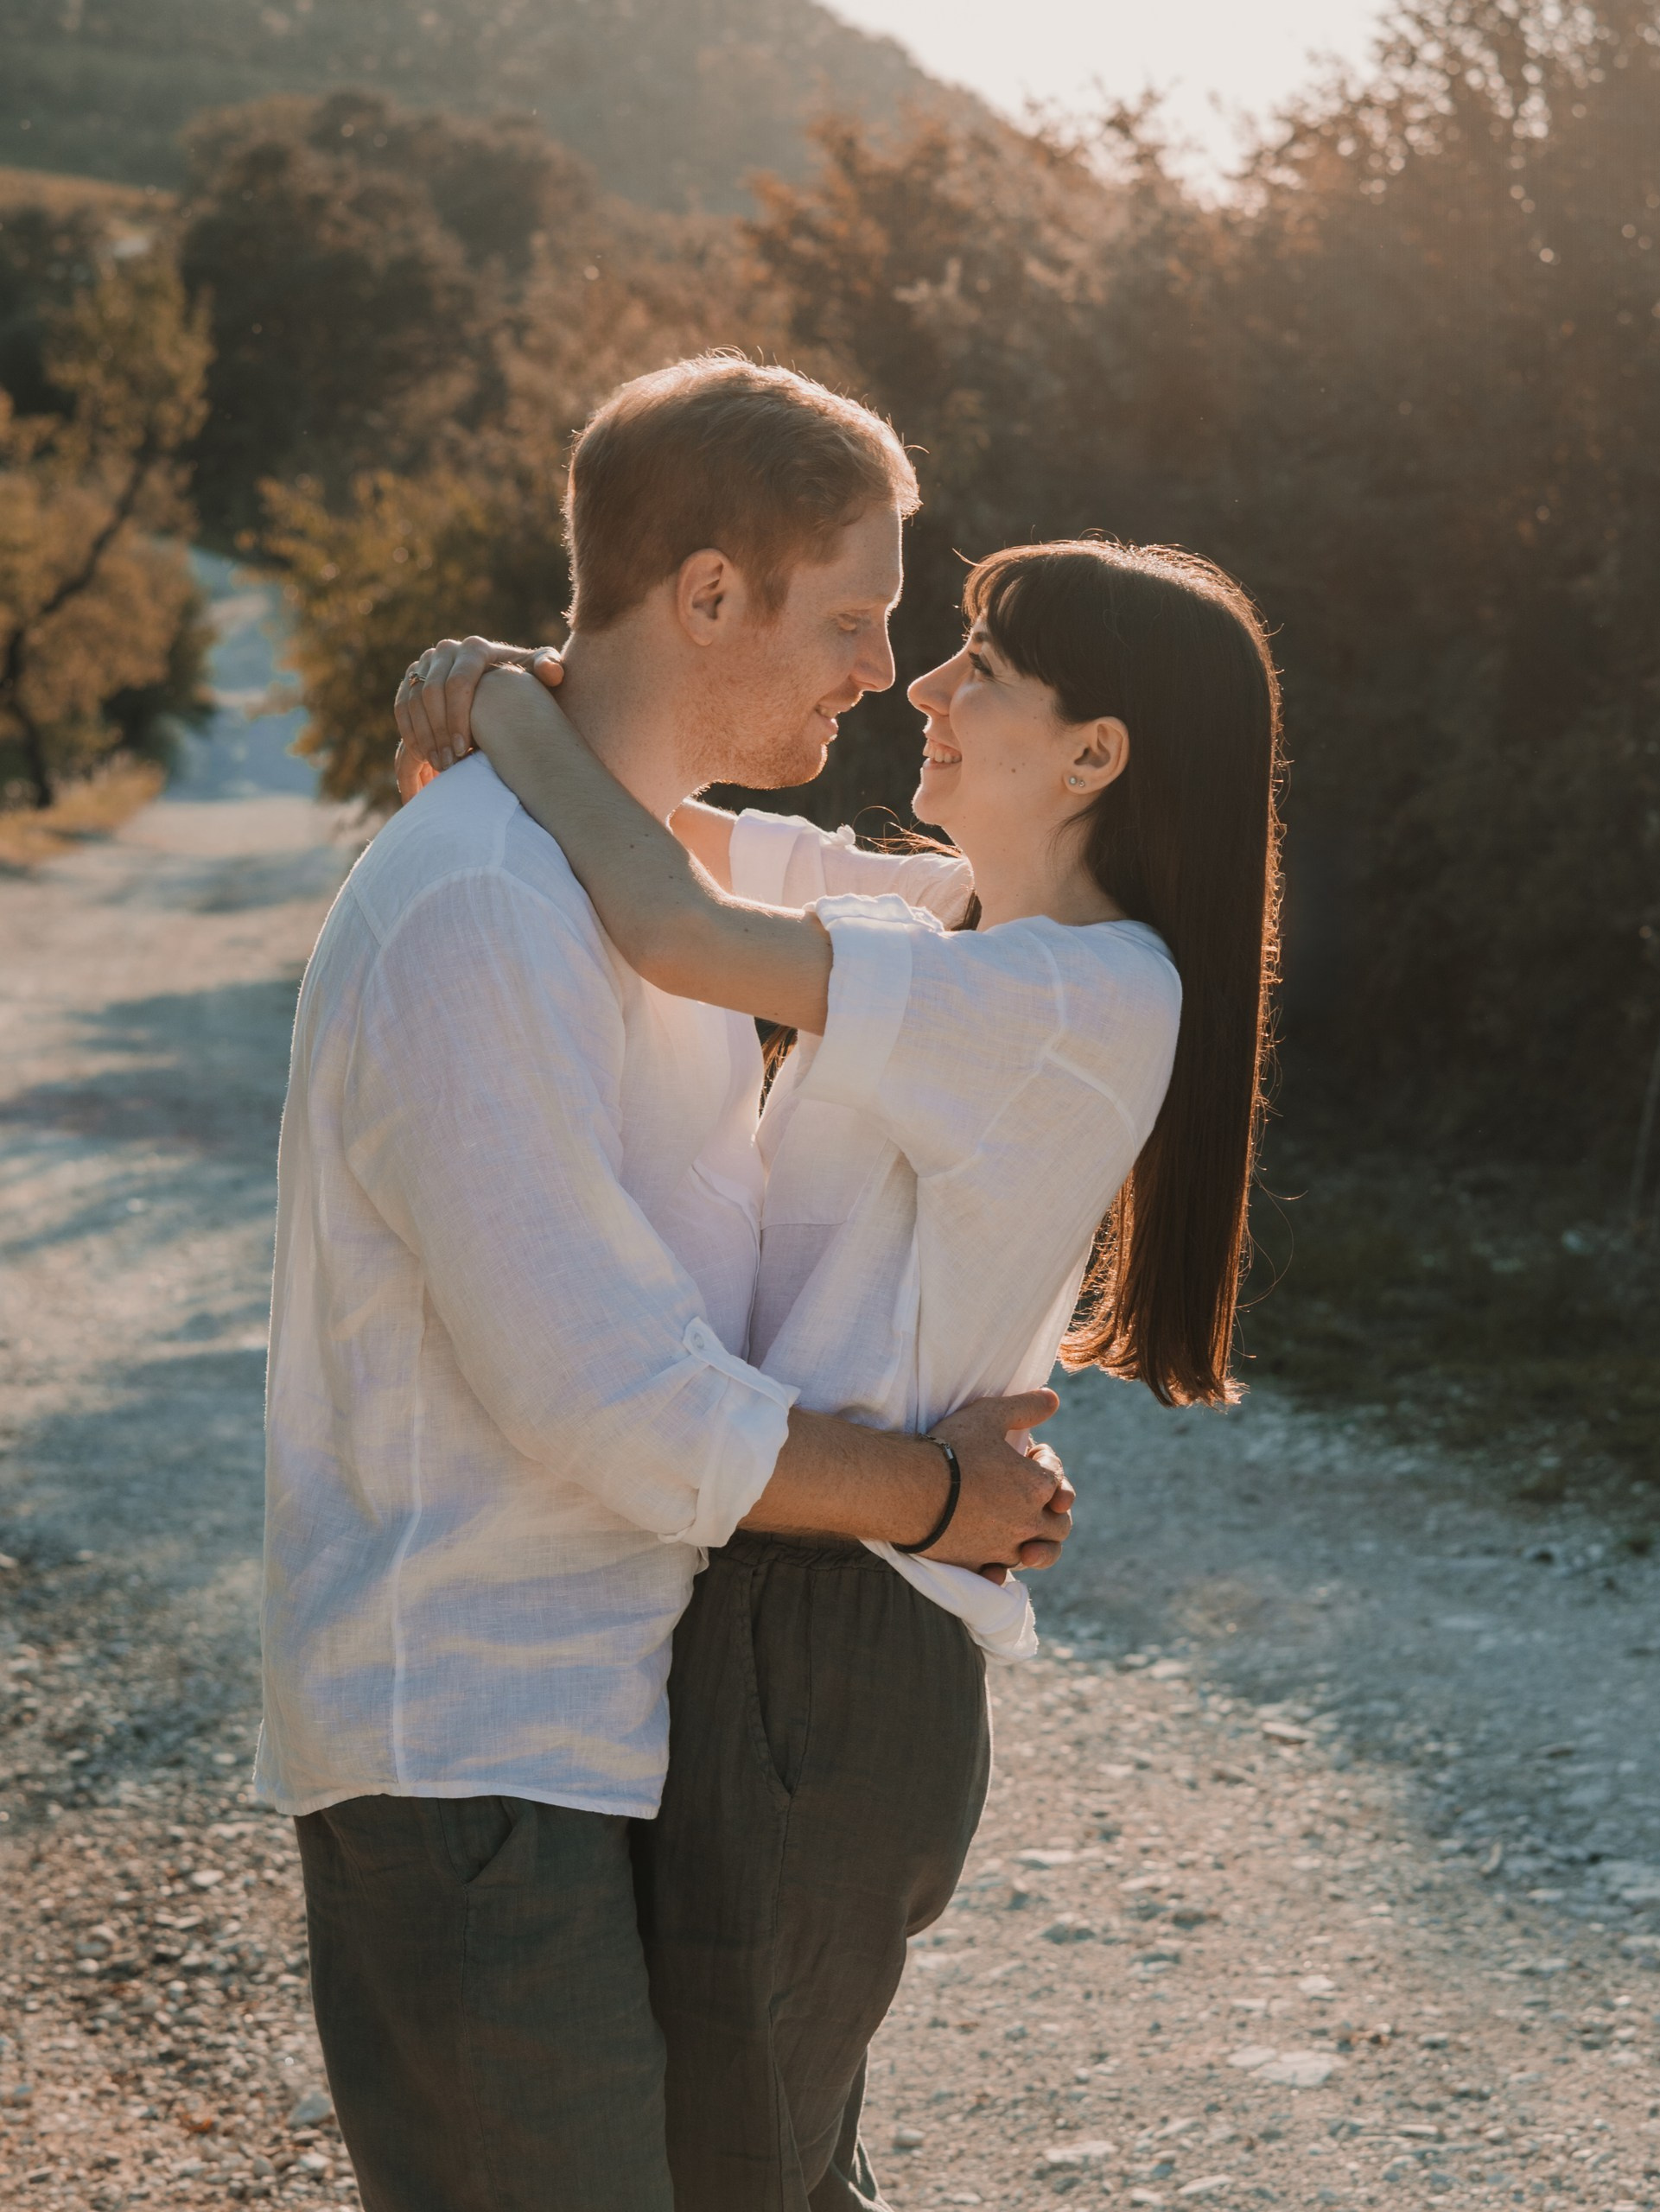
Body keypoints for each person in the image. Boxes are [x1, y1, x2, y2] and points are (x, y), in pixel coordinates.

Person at [257, 355, 1077, 2212]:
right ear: (707, 592)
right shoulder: (480, 903)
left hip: (629, 1713)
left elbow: (996, 929)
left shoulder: (664, 885)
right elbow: (604, 1392)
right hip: (469, 1738)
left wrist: (492, 695)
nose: (880, 671)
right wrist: (949, 1498)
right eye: (852, 617)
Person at [400, 535, 1282, 2210]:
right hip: (791, 1593)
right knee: (766, 2163)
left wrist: (501, 707)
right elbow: (672, 821)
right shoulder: (954, 923)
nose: (922, 689)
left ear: (1094, 753)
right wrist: (528, 684)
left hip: (838, 1628)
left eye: (981, 671)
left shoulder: (1080, 993)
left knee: (741, 2174)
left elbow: (667, 923)